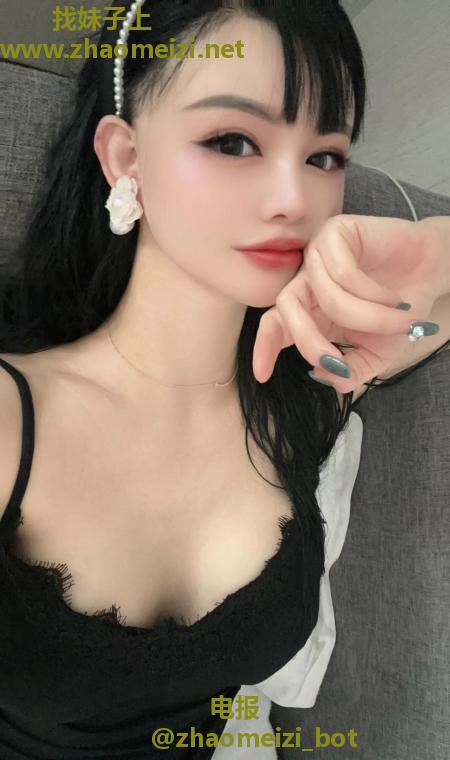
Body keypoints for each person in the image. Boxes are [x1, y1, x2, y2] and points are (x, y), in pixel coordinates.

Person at [0, 1, 448, 758]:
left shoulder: (317, 393)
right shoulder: (12, 421)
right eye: (232, 141)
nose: (294, 200)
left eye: (326, 157)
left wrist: (441, 251)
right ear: (125, 158)